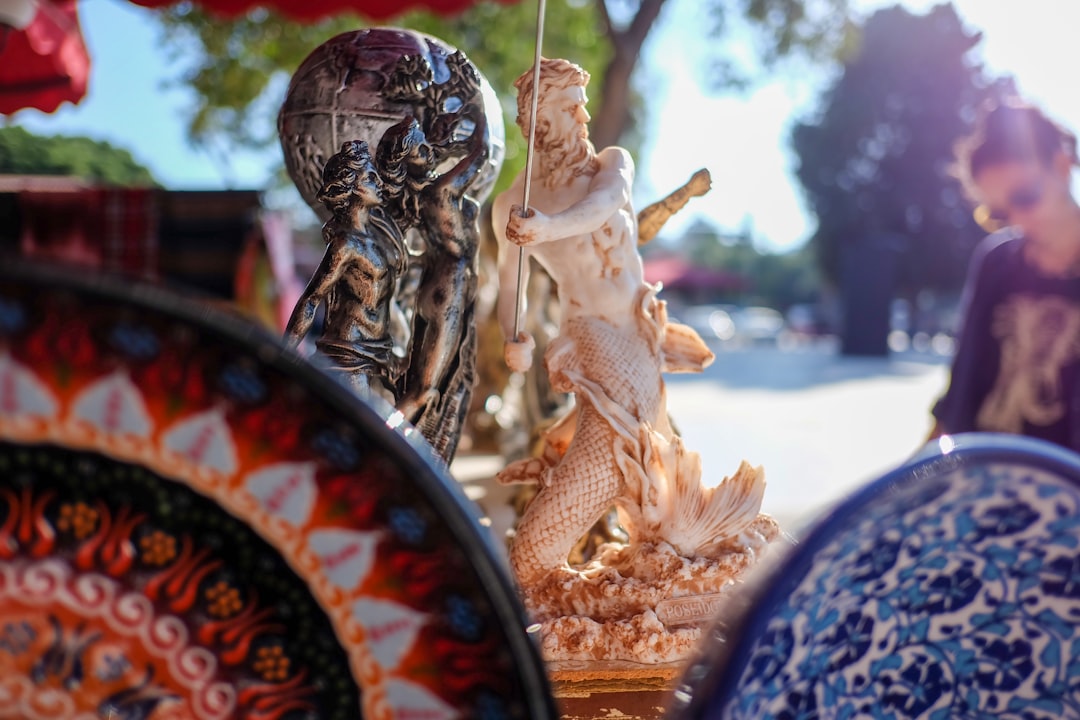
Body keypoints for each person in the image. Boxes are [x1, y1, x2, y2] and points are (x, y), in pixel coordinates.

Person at [493, 59, 713, 583]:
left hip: (640, 327)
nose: (585, 115)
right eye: (571, 107)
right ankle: (547, 559)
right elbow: (510, 282)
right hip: (589, 329)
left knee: (652, 449)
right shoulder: (514, 205)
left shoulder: (611, 164)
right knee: (615, 443)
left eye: (584, 103)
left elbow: (605, 204)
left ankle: (665, 564)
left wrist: (548, 228)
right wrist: (513, 334)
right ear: (540, 122)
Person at [930, 98, 1080, 452]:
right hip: (980, 477)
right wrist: (917, 478)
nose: (1017, 219)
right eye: (997, 212)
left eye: (1026, 196)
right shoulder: (996, 261)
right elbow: (960, 391)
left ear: (1061, 167)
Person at [284, 140, 408, 403]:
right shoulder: (345, 244)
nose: (379, 183)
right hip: (348, 354)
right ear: (352, 186)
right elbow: (311, 300)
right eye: (371, 178)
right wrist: (284, 357)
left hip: (378, 351)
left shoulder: (378, 239)